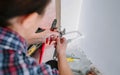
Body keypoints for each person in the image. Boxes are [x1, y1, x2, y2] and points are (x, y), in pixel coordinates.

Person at [0, 0, 73, 75]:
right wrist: (61, 53)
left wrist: (40, 37)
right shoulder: (28, 70)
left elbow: (11, 41)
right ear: (29, 20)